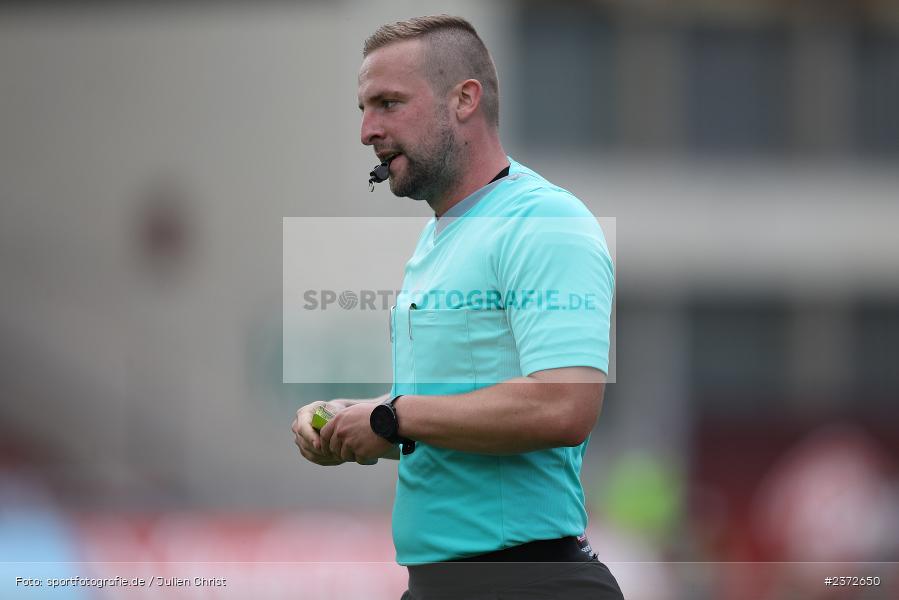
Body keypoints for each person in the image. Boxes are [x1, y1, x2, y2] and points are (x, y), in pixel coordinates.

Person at [292, 15, 622, 600]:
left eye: (389, 103)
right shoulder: (440, 237)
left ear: (464, 100)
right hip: (443, 583)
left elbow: (565, 404)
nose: (367, 130)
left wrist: (392, 417)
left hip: (528, 582)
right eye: (364, 109)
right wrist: (355, 419)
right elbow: (452, 415)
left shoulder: (545, 220)